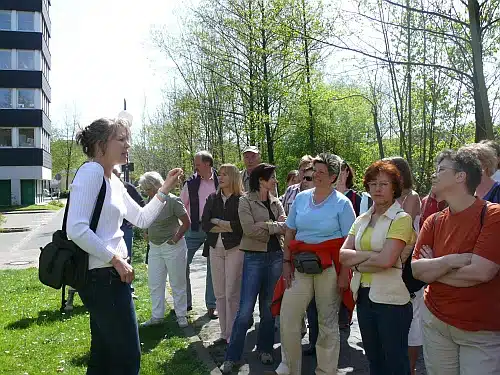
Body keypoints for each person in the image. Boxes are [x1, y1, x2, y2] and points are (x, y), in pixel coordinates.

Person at [66, 117, 183, 374]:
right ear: (100, 144)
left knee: (104, 357)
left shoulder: (113, 180)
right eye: (120, 139)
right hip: (102, 278)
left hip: (109, 277)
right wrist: (115, 259)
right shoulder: (91, 172)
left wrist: (164, 188)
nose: (127, 144)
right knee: (127, 359)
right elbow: (76, 228)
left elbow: (141, 218)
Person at [412, 148, 500, 375]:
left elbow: (481, 273)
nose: (434, 175)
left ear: (461, 176)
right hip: (436, 323)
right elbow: (415, 270)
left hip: (479, 330)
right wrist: (453, 260)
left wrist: (435, 267)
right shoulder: (433, 220)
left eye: (441, 170)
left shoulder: (493, 216)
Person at [276, 153, 355, 375]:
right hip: (299, 266)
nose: (315, 175)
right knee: (288, 316)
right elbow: (290, 230)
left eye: (321, 172)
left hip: (329, 269)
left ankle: (326, 371)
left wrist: (344, 275)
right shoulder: (301, 198)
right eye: (314, 171)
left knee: (327, 323)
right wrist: (286, 261)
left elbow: (350, 242)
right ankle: (291, 369)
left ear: (333, 177)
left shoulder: (343, 204)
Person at [340, 160, 415, 375]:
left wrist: (359, 262)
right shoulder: (362, 219)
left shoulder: (401, 219)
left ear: (394, 188)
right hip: (363, 296)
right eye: (373, 184)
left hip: (392, 300)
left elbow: (387, 261)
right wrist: (375, 256)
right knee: (374, 361)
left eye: (383, 184)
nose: (377, 189)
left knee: (396, 363)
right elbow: (343, 256)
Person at [220, 163, 286, 374]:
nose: (275, 181)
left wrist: (266, 226)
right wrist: (273, 227)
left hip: (276, 257)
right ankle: (232, 357)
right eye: (272, 177)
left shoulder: (277, 202)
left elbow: (286, 226)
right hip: (255, 259)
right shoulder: (245, 201)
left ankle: (265, 350)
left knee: (268, 308)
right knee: (245, 309)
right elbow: (249, 230)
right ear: (261, 180)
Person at [138, 172, 190, 328]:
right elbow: (146, 220)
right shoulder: (149, 201)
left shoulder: (173, 201)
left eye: (147, 189)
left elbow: (186, 223)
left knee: (177, 282)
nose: (146, 193)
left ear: (154, 186)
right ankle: (157, 316)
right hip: (154, 247)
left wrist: (175, 238)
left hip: (173, 247)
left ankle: (181, 316)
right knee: (155, 283)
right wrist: (146, 233)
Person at [201, 164, 244, 345]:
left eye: (225, 174)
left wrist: (217, 222)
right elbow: (205, 223)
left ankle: (233, 334)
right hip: (214, 247)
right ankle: (224, 333)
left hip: (235, 248)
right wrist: (227, 225)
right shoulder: (212, 198)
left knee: (232, 292)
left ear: (233, 177)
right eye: (220, 174)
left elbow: (240, 226)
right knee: (219, 293)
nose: (221, 177)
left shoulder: (242, 199)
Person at [387, 156, 422, 375]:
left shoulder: (412, 196)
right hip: (387, 260)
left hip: (407, 263)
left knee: (412, 318)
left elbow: (403, 229)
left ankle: (410, 368)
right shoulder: (385, 196)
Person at [180, 151, 218, 319]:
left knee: (213, 267)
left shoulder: (220, 180)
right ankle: (185, 303)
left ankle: (212, 306)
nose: (195, 167)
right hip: (193, 228)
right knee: (182, 263)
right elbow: (181, 205)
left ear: (207, 164)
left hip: (214, 228)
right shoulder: (190, 183)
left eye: (197, 164)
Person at [113, 168, 145, 298]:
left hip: (125, 229)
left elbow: (142, 204)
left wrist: (134, 221)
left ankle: (129, 289)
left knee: (126, 258)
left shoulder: (127, 188)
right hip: (110, 229)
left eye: (116, 174)